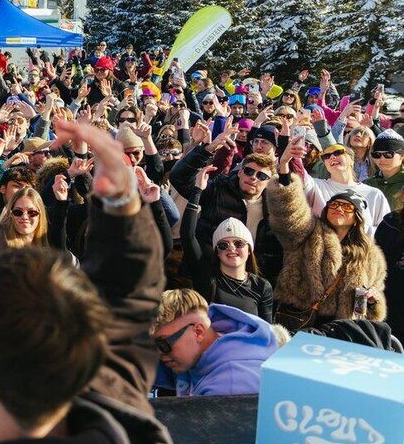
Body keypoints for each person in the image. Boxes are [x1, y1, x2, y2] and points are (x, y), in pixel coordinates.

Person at [0, 119, 177, 444]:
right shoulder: (121, 417)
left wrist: (118, 203)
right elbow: (127, 300)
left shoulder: (116, 388)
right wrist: (121, 198)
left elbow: (128, 304)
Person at [267, 138, 388, 330]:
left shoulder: (371, 256)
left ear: (357, 217)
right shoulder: (307, 234)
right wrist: (283, 166)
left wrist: (374, 301)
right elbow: (289, 210)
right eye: (334, 205)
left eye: (347, 207)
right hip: (299, 321)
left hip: (341, 332)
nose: (339, 209)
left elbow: (374, 300)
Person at [181, 168, 274, 322]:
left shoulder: (262, 286)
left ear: (250, 250)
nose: (231, 248)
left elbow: (268, 330)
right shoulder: (207, 279)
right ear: (217, 252)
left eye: (238, 243)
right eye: (223, 245)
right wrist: (197, 190)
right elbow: (188, 236)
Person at [151, 289, 278, 396]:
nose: (159, 352)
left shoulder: (230, 385)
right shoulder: (197, 351)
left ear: (198, 332)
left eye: (163, 344)